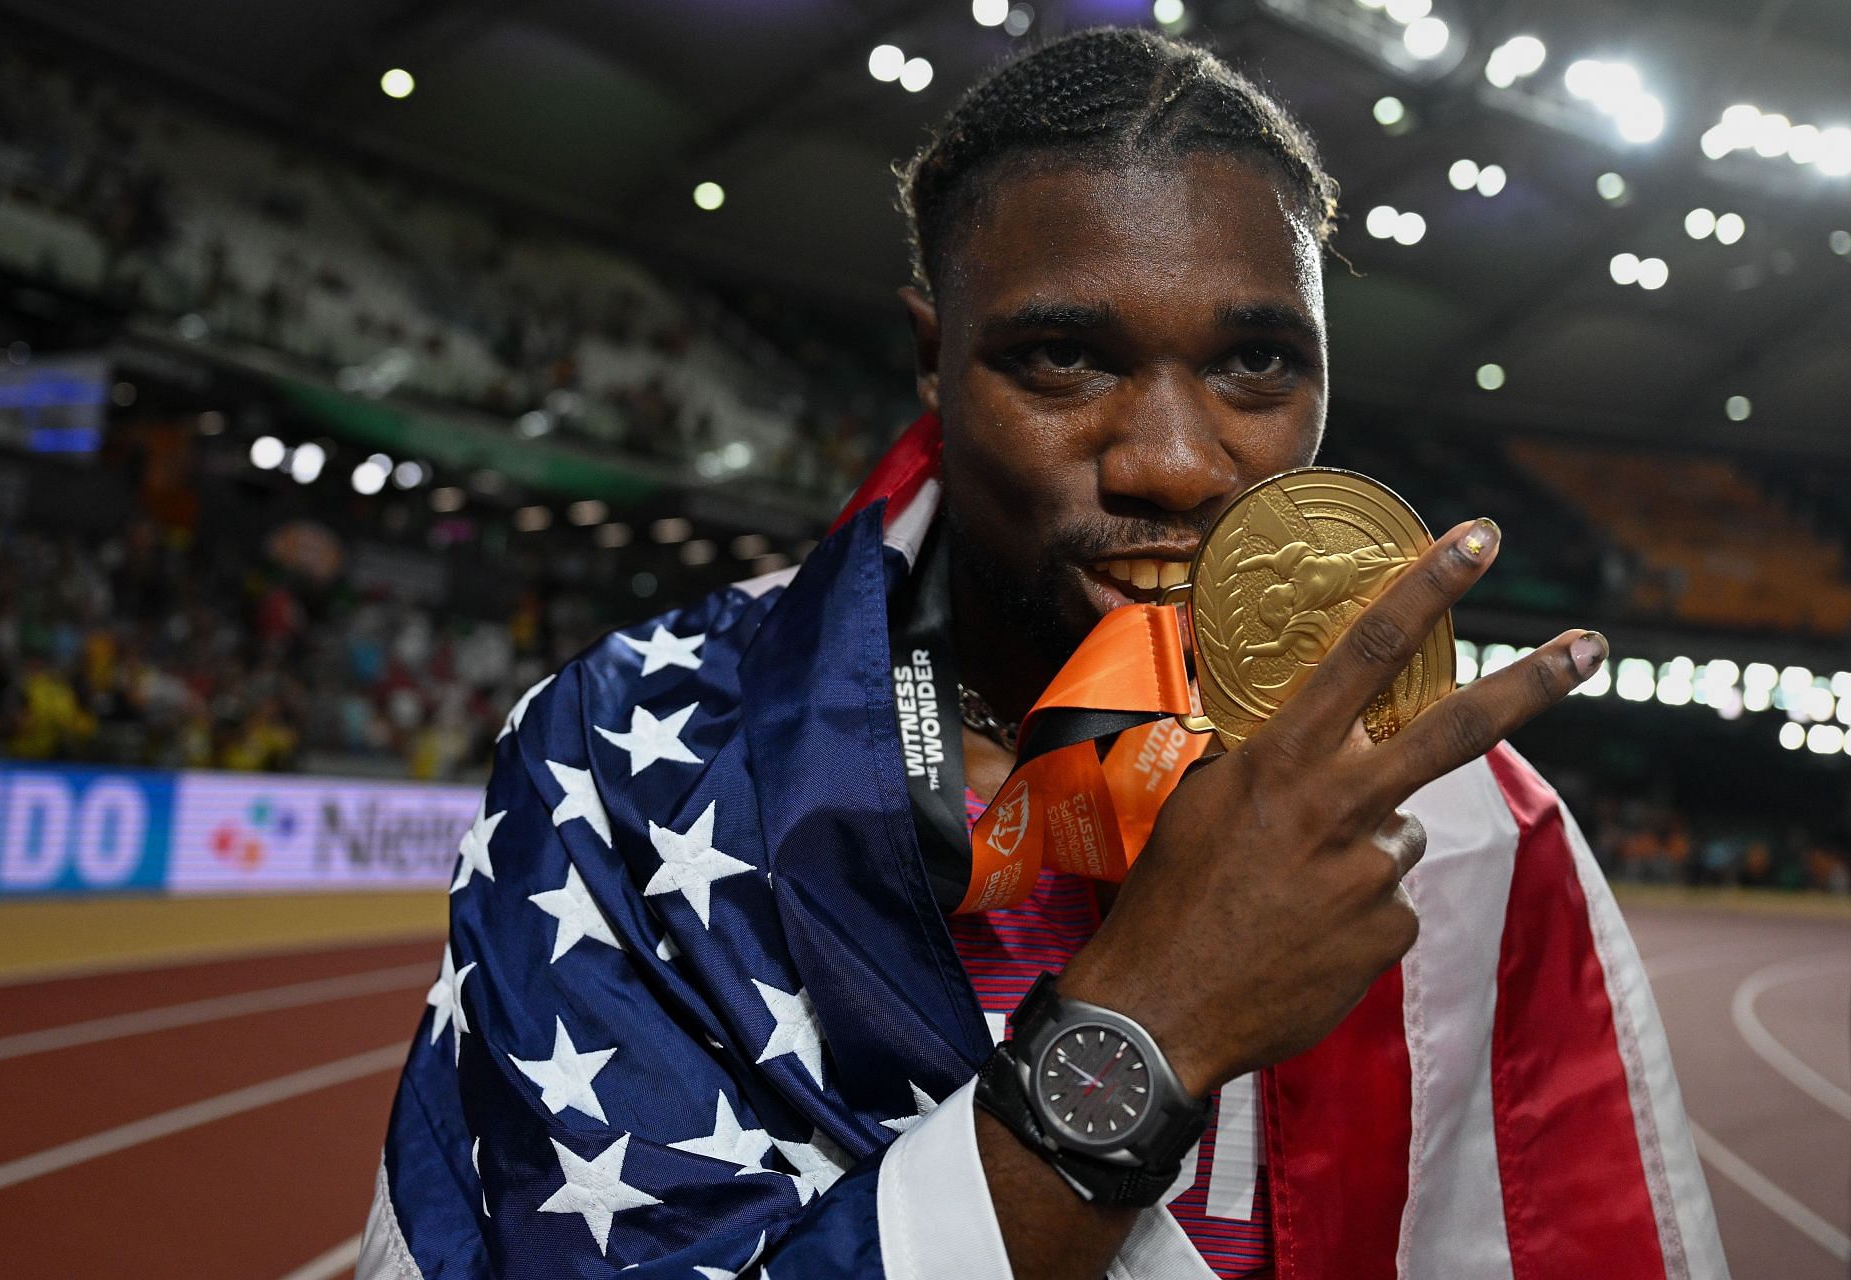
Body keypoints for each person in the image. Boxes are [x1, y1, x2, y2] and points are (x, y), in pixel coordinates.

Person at [361, 28, 1724, 1280]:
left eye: (1258, 365)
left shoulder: (1470, 820)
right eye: (1065, 359)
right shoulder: (631, 747)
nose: (1180, 465)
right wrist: (1150, 1031)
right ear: (932, 356)